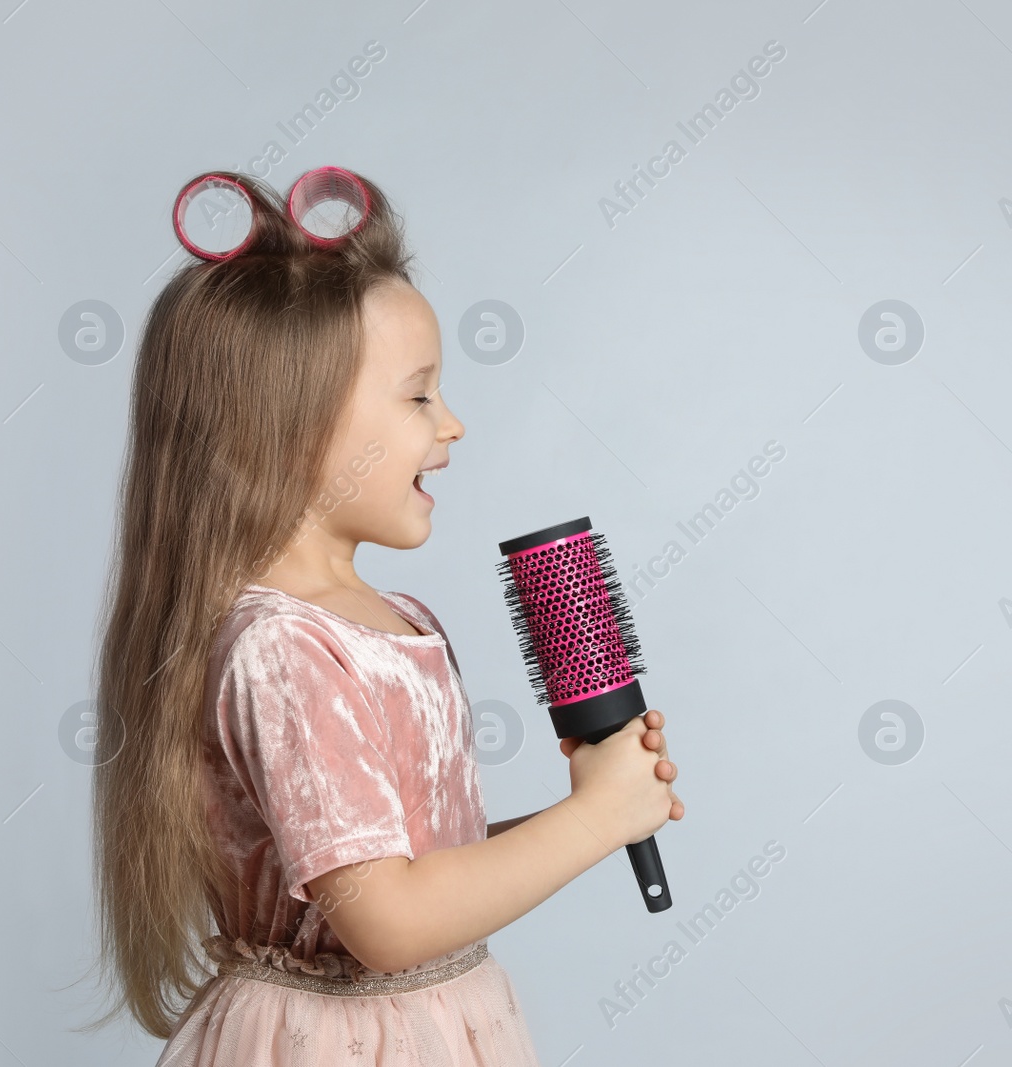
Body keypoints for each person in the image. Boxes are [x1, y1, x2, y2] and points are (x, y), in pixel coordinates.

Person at [86, 167, 682, 1065]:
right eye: (418, 396)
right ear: (285, 427)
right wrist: (595, 819)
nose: (453, 426)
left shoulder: (396, 617)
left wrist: (591, 810)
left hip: (438, 1024)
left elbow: (409, 867)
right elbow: (389, 922)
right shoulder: (283, 650)